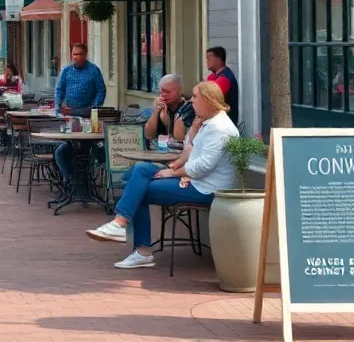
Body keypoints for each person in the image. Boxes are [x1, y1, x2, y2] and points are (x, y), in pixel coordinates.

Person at [86, 81, 239, 268]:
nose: (191, 101)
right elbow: (188, 152)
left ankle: (134, 241)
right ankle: (120, 225)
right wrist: (179, 159)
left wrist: (172, 173)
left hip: (205, 188)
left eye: (195, 96)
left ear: (208, 100)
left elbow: (202, 167)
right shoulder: (207, 123)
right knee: (141, 170)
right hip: (193, 178)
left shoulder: (220, 128)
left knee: (138, 188)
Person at [53, 43, 108, 185]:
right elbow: (60, 89)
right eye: (74, 54)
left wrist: (95, 107)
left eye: (79, 54)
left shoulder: (93, 70)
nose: (75, 57)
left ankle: (85, 178)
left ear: (85, 55)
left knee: (86, 147)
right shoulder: (66, 71)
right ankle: (70, 177)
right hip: (70, 114)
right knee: (66, 147)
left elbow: (101, 90)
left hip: (87, 115)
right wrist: (58, 104)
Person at [144, 73, 194, 144]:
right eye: (162, 91)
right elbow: (148, 135)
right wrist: (155, 112)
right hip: (160, 150)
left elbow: (179, 139)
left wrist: (167, 123)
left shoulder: (187, 108)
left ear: (180, 90)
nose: (164, 95)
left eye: (168, 91)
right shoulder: (160, 105)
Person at [205, 46, 239, 123]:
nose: (207, 61)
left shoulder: (224, 78)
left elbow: (208, 100)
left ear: (219, 59)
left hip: (224, 122)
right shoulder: (214, 77)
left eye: (209, 57)